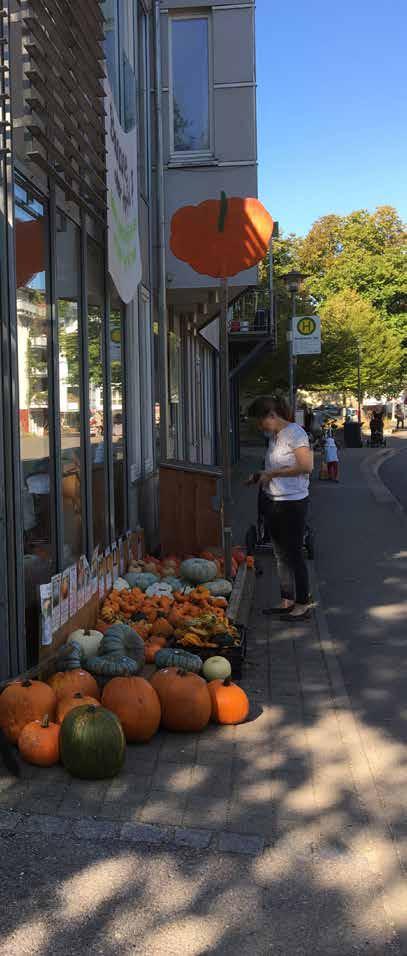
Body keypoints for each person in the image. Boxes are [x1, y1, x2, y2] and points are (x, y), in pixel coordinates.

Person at [248, 395, 314, 620]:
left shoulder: (296, 434)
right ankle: (287, 599)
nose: (260, 426)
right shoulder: (275, 436)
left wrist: (273, 474)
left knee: (294, 553)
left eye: (261, 421)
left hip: (292, 503)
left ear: (272, 415)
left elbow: (306, 466)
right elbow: (274, 466)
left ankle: (303, 603)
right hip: (272, 500)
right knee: (279, 554)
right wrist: (259, 476)